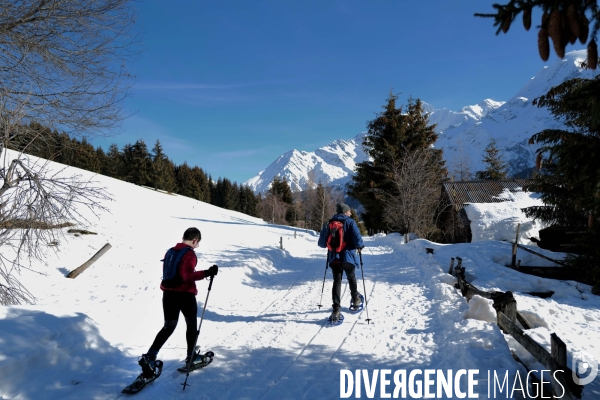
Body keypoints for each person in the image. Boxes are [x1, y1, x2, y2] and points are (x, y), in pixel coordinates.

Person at [138, 227, 218, 377]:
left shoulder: (170, 251)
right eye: (197, 243)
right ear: (195, 240)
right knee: (191, 324)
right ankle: (191, 357)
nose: (197, 246)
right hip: (185, 295)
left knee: (168, 326)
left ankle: (150, 357)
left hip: (168, 294)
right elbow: (188, 276)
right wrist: (208, 273)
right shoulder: (189, 254)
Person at [318, 203, 364, 322]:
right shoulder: (350, 222)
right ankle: (355, 299)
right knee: (351, 278)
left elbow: (321, 243)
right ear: (345, 212)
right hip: (348, 257)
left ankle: (336, 310)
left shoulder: (329, 223)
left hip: (335, 258)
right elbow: (358, 239)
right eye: (348, 211)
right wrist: (360, 246)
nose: (350, 213)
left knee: (337, 281)